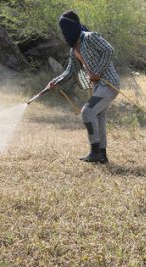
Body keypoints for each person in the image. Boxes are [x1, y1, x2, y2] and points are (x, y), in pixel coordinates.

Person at [47, 10, 120, 163]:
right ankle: (102, 155)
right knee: (98, 118)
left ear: (72, 27)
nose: (63, 32)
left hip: (109, 84)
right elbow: (70, 71)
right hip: (98, 87)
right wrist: (55, 82)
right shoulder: (74, 50)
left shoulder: (90, 37)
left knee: (87, 111)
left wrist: (97, 72)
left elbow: (109, 50)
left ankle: (94, 152)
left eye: (65, 28)